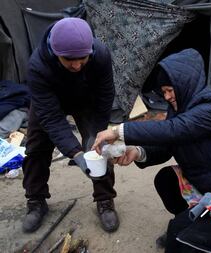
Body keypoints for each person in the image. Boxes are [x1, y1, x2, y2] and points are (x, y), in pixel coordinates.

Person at [92, 48, 211, 245]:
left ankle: (202, 230)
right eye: (164, 92)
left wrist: (118, 131)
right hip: (202, 177)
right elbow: (168, 144)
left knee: (202, 241)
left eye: (170, 90)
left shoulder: (210, 107)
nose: (167, 97)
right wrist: (137, 152)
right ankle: (190, 221)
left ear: (185, 83)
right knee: (166, 179)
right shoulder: (178, 109)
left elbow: (173, 130)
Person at [22, 18, 119, 233]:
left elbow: (105, 96)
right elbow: (52, 118)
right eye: (68, 59)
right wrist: (75, 153)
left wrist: (96, 134)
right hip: (48, 102)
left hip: (86, 100)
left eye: (82, 59)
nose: (76, 65)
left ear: (90, 50)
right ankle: (36, 200)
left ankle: (104, 200)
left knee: (99, 147)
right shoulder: (37, 66)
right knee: (35, 148)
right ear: (56, 52)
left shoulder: (100, 55)